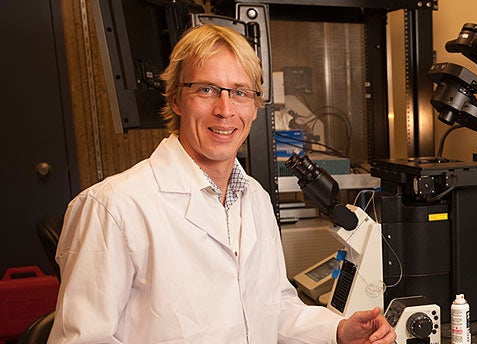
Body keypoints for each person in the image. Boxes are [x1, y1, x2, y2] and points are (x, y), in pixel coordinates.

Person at [47, 24, 395, 344]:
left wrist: (337, 330)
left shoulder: (254, 198)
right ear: (175, 99)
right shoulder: (114, 206)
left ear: (256, 107)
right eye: (207, 89)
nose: (225, 109)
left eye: (240, 92)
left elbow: (273, 308)